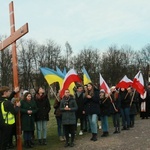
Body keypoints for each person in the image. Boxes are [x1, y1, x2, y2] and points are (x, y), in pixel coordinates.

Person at [0, 86, 20, 150]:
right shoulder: (7, 103)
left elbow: (8, 99)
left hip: (1, 123)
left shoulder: (1, 100)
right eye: (8, 91)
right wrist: (17, 106)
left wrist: (14, 92)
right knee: (4, 142)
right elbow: (14, 112)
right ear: (5, 92)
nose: (9, 92)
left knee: (2, 140)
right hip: (7, 125)